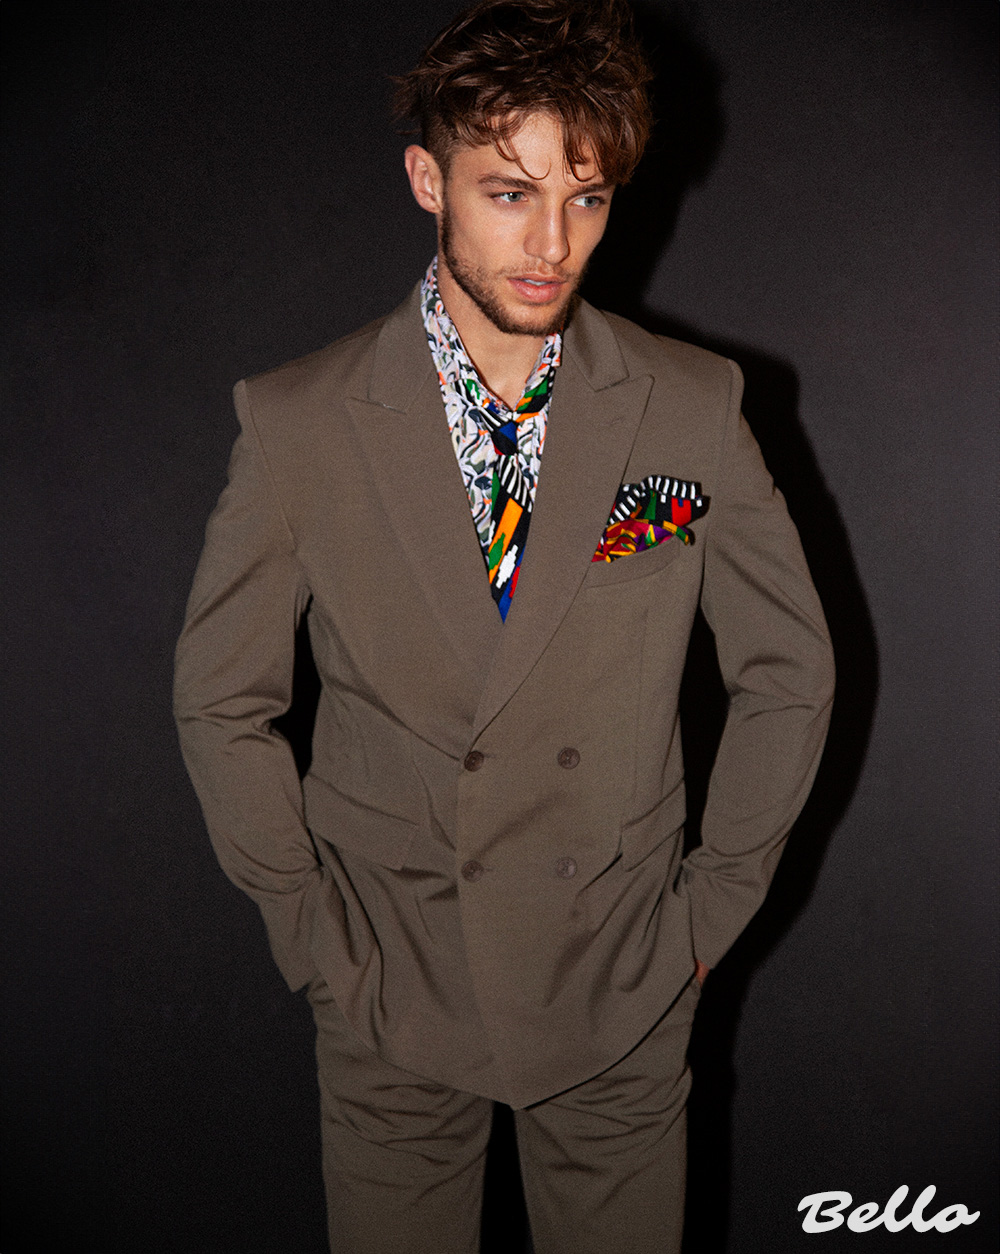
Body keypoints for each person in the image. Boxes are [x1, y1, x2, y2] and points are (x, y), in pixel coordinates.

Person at [173, 1, 835, 1250]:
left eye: (586, 199)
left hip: (618, 983)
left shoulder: (689, 406)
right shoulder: (299, 422)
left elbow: (789, 671)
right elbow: (221, 700)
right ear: (427, 182)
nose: (551, 244)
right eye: (509, 193)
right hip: (393, 985)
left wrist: (706, 918)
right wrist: (313, 938)